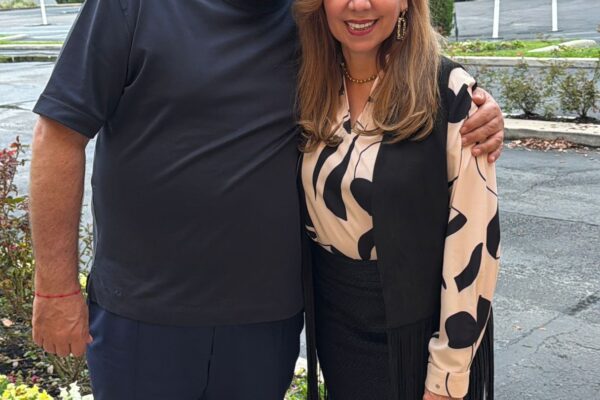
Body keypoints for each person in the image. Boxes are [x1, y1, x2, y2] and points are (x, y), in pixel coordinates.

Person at [28, 0, 504, 399]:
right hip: (144, 318)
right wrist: (54, 288)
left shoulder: (306, 22)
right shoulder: (131, 7)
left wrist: (473, 105)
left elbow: (393, 61)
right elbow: (58, 134)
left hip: (265, 327)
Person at [295, 0, 499, 400]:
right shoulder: (310, 83)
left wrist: (447, 377)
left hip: (417, 344)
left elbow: (474, 240)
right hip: (337, 332)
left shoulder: (449, 93)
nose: (358, 5)